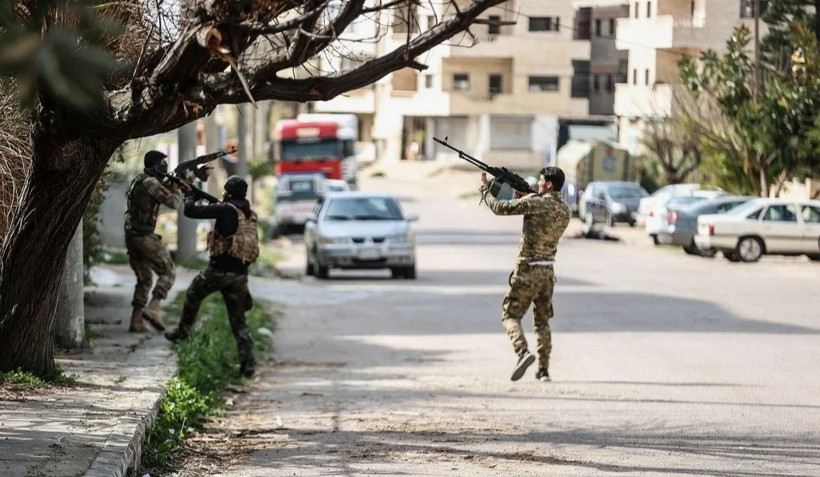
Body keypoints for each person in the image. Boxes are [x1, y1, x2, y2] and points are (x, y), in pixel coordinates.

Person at [480, 167, 571, 382]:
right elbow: (542, 215)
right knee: (542, 321)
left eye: (541, 181)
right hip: (547, 270)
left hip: (528, 268)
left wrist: (485, 189)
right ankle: (543, 370)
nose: (538, 183)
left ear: (549, 185)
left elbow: (499, 208)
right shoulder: (565, 210)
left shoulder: (535, 203)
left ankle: (522, 352)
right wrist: (526, 196)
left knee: (510, 315)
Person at [164, 176, 260, 378]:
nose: (222, 194)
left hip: (219, 271)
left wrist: (189, 194)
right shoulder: (249, 213)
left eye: (225, 191)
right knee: (238, 321)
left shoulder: (226, 209)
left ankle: (183, 332)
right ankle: (248, 364)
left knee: (193, 293)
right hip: (240, 275)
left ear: (229, 193)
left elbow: (190, 211)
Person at [124, 150, 182, 333]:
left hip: (132, 235)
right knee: (169, 272)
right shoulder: (151, 183)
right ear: (155, 165)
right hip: (144, 236)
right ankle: (154, 307)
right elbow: (173, 202)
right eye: (163, 162)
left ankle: (136, 321)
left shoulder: (140, 180)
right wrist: (178, 186)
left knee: (144, 279)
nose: (166, 165)